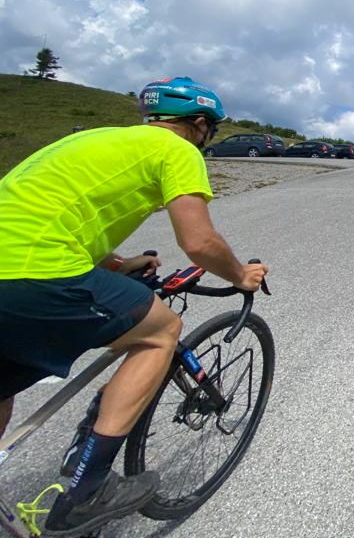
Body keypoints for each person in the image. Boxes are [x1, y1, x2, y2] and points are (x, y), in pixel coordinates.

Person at [0, 76, 268, 536]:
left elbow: (40, 214)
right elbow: (199, 242)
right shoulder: (178, 151)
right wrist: (241, 275)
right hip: (35, 270)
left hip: (19, 263)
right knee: (161, 330)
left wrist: (117, 264)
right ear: (199, 125)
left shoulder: (89, 139)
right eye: (210, 132)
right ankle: (88, 490)